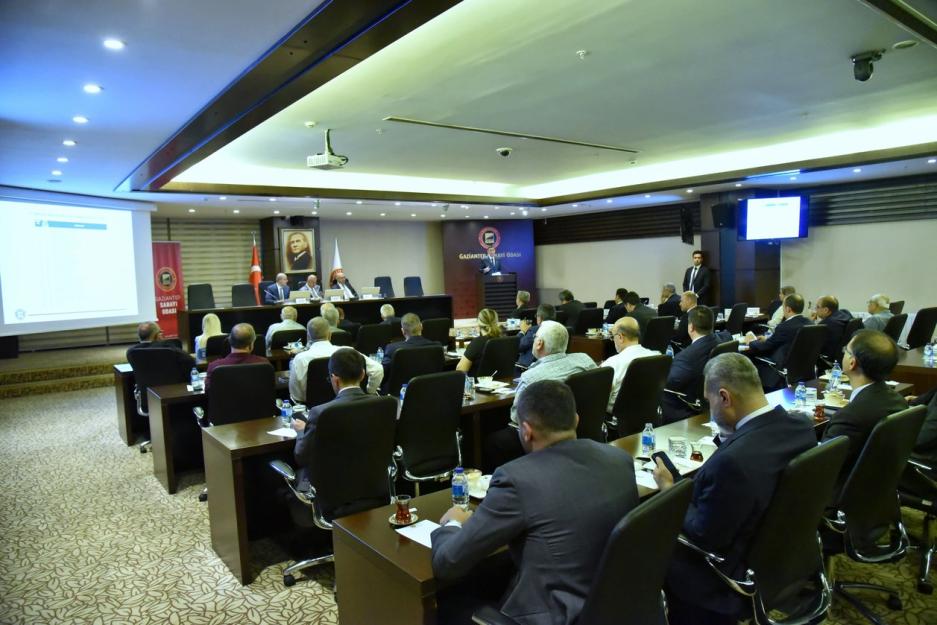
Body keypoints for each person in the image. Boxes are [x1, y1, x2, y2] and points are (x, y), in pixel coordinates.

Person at [431, 380, 639, 625]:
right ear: (576, 420)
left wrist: (453, 523)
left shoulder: (516, 479)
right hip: (619, 606)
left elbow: (448, 563)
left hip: (559, 616)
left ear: (526, 431)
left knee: (447, 603)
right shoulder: (620, 459)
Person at [654, 353, 816, 624]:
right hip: (782, 557)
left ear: (724, 397)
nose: (710, 408)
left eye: (709, 401)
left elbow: (703, 535)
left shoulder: (734, 463)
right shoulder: (801, 426)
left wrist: (669, 491)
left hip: (719, 575)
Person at [486, 320, 595, 469]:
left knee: (494, 440)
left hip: (543, 440)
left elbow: (516, 417)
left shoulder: (531, 377)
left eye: (535, 337)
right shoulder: (585, 360)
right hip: (582, 429)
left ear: (539, 343)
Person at [821, 329, 906, 493]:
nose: (843, 353)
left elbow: (822, 466)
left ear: (852, 363)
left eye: (845, 350)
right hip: (876, 490)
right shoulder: (897, 400)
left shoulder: (850, 417)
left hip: (841, 495)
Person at [292, 348, 374, 497]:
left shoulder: (320, 412)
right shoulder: (383, 404)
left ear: (335, 379)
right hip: (372, 485)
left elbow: (302, 457)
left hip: (331, 492)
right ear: (363, 375)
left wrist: (301, 432)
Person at [288, 317, 383, 402]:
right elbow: (377, 370)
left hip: (315, 408)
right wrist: (368, 392)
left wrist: (311, 400)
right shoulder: (348, 351)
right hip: (349, 403)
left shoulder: (300, 359)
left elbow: (297, 397)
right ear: (330, 334)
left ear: (308, 336)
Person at [661, 306, 720, 423]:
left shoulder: (686, 357)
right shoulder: (720, 341)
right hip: (715, 399)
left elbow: (669, 383)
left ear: (691, 327)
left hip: (688, 408)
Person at [744, 293, 810, 389]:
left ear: (788, 309)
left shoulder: (785, 327)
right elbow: (787, 340)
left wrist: (751, 342)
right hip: (803, 370)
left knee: (748, 355)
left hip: (780, 367)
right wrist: (768, 339)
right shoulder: (809, 323)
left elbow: (765, 347)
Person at [601, 316, 659, 413]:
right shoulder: (656, 356)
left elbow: (599, 397)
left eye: (613, 336)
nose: (613, 340)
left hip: (616, 416)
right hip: (649, 413)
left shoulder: (612, 363)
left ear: (620, 337)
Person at [381, 312, 441, 385]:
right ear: (421, 326)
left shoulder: (392, 349)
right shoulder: (437, 346)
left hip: (400, 391)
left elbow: (383, 375)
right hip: (430, 388)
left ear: (403, 331)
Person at [204, 323, 268, 391]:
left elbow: (209, 392)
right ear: (251, 344)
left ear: (229, 341)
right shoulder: (264, 364)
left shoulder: (214, 367)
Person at [126, 321, 195, 376]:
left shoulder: (131, 352)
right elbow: (191, 362)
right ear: (158, 335)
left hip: (145, 388)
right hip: (172, 387)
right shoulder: (169, 349)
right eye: (160, 332)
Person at [457, 308, 502, 377]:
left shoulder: (477, 343)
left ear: (478, 322)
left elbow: (460, 369)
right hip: (501, 380)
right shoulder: (504, 339)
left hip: (479, 382)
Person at [813, 295, 853, 362]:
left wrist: (811, 322)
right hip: (845, 355)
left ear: (826, 310)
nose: (815, 309)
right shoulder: (845, 313)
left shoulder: (824, 325)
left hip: (829, 360)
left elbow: (814, 345)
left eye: (817, 307)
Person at [517, 303, 555, 369]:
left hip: (528, 368)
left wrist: (522, 332)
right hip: (551, 365)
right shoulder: (560, 329)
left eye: (537, 316)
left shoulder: (535, 330)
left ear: (540, 317)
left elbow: (518, 346)